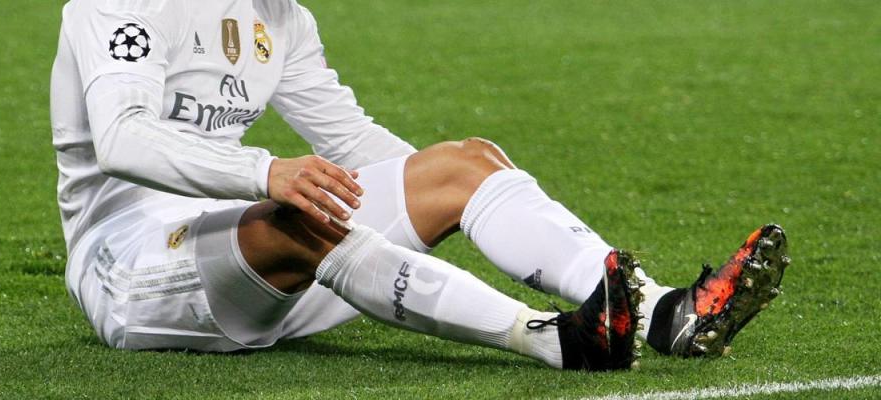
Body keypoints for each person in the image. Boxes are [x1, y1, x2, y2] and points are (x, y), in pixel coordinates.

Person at [50, 0, 790, 371]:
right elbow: (121, 137)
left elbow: (349, 140)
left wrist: (444, 197)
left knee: (465, 161)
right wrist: (265, 170)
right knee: (302, 215)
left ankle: (666, 314)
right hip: (132, 263)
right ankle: (560, 343)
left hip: (252, 250)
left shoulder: (282, 18)